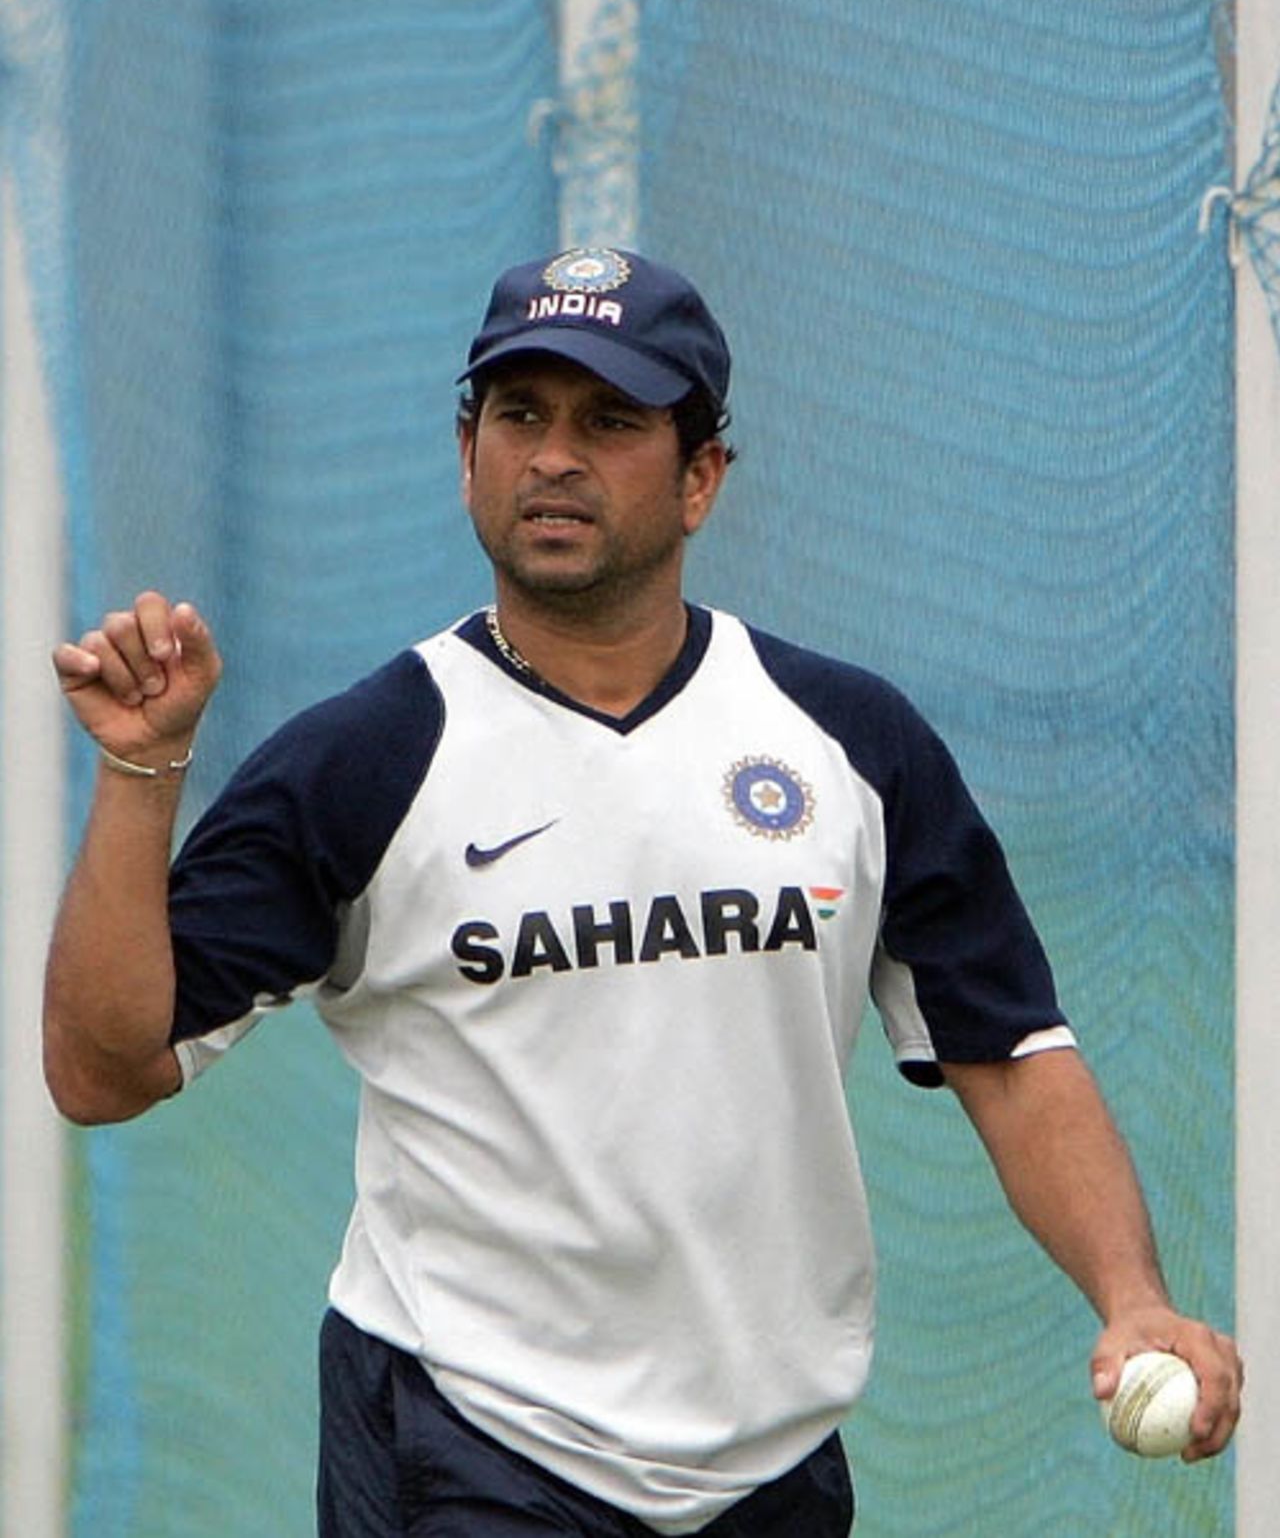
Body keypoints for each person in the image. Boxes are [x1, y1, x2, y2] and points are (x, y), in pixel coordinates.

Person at [45, 247, 1242, 1537]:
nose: (554, 456)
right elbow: (102, 1071)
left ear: (702, 479)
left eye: (611, 421)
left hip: (768, 1466)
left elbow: (1009, 1050)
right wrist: (139, 772)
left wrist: (1131, 1292)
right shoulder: (368, 759)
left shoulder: (851, 743)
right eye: (520, 416)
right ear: (466, 454)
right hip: (468, 1442)